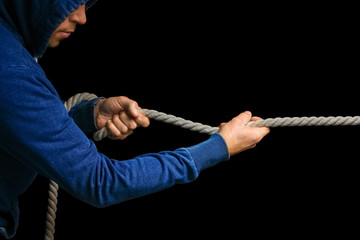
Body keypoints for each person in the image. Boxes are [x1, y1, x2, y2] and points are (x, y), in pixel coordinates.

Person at [0, 0, 270, 239]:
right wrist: (220, 147)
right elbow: (101, 182)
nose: (81, 17)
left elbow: (20, 127)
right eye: (69, 2)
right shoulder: (11, 75)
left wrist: (87, 117)